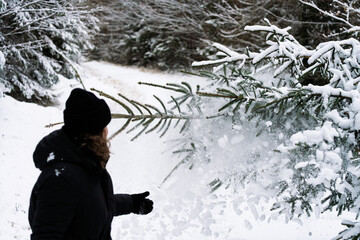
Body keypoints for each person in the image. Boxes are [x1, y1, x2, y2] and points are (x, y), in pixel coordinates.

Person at [28, 88, 153, 240]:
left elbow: (89, 206)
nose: (107, 130)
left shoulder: (84, 164)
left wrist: (131, 203)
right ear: (93, 132)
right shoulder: (61, 179)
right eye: (103, 125)